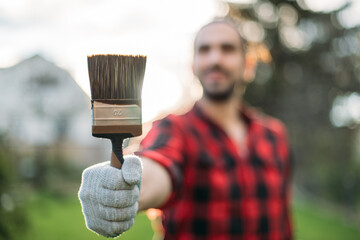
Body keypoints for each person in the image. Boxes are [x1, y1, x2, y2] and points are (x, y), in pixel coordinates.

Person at [79, 18, 293, 240]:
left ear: (247, 66)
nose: (215, 58)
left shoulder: (275, 136)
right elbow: (158, 165)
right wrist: (126, 189)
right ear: (193, 67)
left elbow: (284, 218)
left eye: (227, 49)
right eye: (204, 50)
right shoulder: (176, 129)